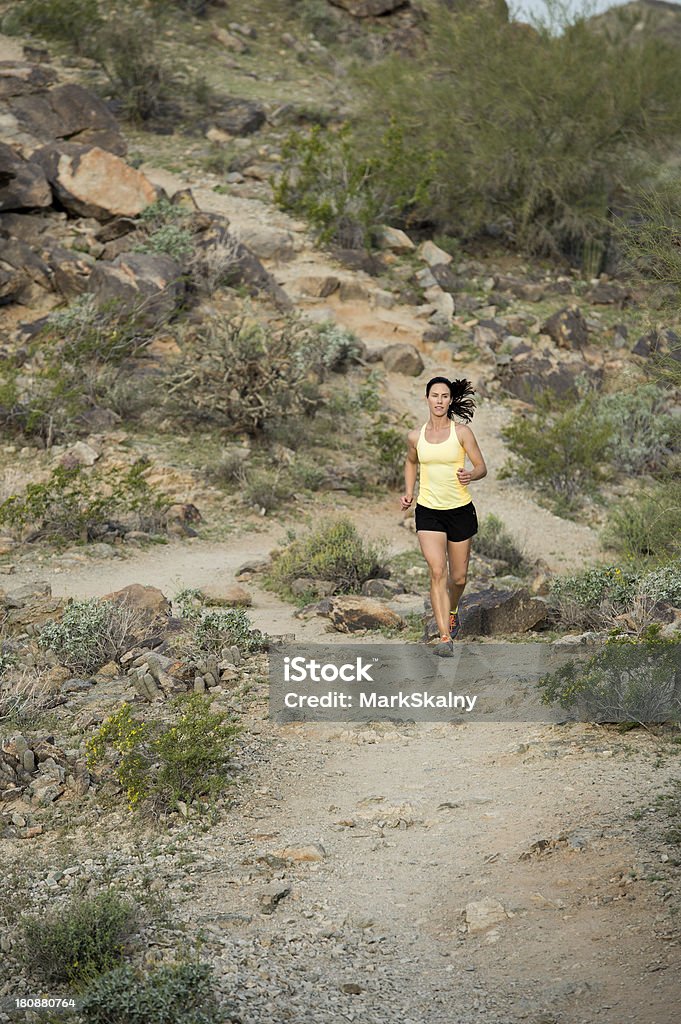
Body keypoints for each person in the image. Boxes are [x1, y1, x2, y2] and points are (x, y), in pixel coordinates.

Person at [401, 377, 487, 657]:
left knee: (458, 578)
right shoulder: (416, 436)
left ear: (450, 400)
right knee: (438, 571)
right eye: (434, 395)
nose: (439, 400)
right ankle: (443, 637)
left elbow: (481, 467)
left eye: (445, 396)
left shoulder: (461, 433)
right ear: (427, 398)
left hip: (460, 510)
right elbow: (411, 461)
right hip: (428, 511)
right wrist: (408, 492)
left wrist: (470, 474)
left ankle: (452, 609)